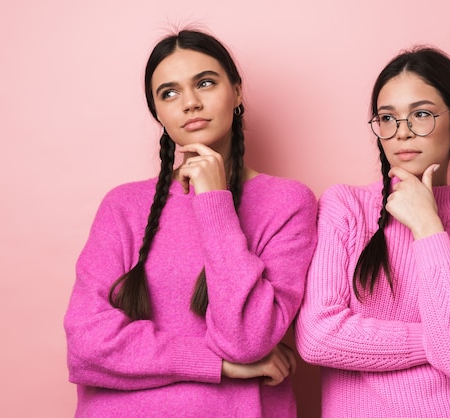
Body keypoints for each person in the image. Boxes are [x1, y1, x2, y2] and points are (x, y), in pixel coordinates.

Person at [64, 29, 317, 417]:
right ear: (158, 113)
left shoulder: (288, 203)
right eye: (169, 93)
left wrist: (214, 202)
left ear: (236, 92)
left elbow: (248, 340)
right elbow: (85, 343)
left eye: (205, 83)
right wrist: (216, 365)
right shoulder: (123, 205)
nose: (190, 103)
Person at [295, 46, 450, 417]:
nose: (402, 133)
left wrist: (427, 225)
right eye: (387, 118)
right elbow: (317, 337)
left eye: (421, 114)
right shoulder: (346, 207)